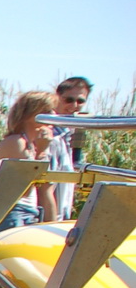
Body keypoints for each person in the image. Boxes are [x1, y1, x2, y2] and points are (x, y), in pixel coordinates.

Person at [0, 91, 59, 232]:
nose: (53, 115)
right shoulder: (16, 142)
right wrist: (41, 152)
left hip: (27, 211)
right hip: (14, 212)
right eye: (46, 111)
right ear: (29, 114)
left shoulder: (30, 144)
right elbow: (24, 188)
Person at [47, 76, 91, 218]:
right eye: (69, 100)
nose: (74, 106)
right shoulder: (48, 132)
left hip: (61, 211)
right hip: (46, 216)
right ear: (57, 97)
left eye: (80, 101)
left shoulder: (70, 133)